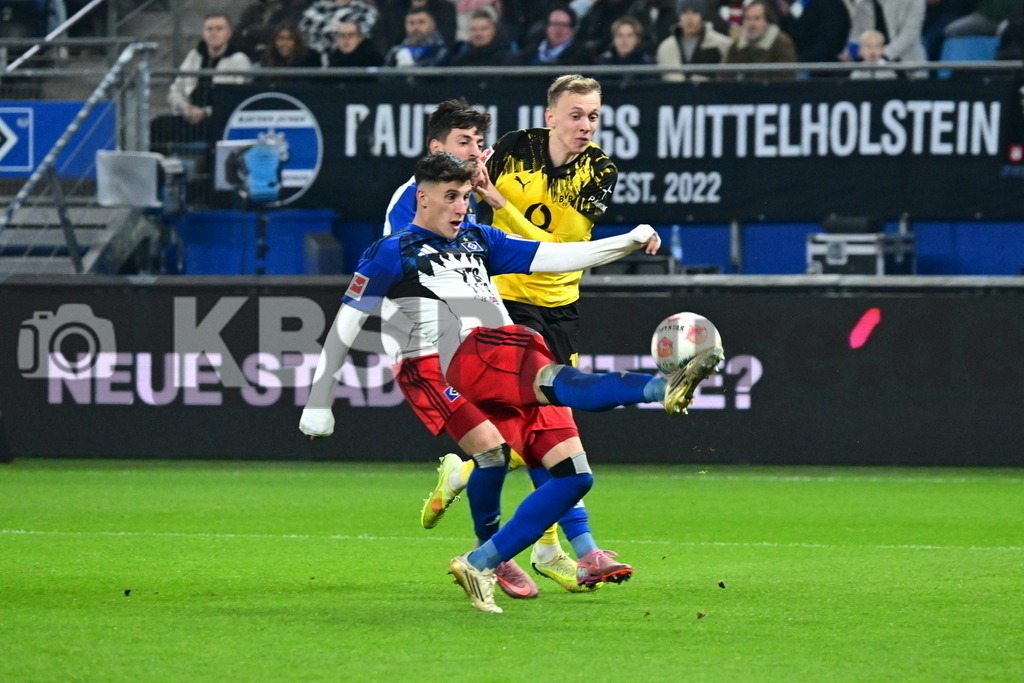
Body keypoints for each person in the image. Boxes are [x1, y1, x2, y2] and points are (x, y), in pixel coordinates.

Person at [299, 151, 723, 613]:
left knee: (573, 477)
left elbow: (557, 256)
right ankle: (664, 388)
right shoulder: (391, 250)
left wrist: (628, 240)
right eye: (450, 197)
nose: (462, 207)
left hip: (504, 349)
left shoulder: (479, 237)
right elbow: (346, 324)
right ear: (422, 198)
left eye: (465, 196)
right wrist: (319, 400)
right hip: (471, 353)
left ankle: (480, 562)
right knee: (552, 391)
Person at [383, 99, 622, 597]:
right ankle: (495, 546)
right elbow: (406, 277)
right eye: (463, 143)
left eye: (477, 142)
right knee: (500, 447)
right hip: (428, 352)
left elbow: (521, 250)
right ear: (436, 149)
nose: (476, 151)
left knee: (543, 433)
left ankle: (541, 547)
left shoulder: (482, 192)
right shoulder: (415, 201)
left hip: (495, 334)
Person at [150, 13, 252, 154]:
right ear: (203, 33)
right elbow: (175, 90)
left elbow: (234, 99)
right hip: (189, 115)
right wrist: (186, 108)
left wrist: (204, 112)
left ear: (229, 34)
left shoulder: (239, 60)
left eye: (219, 29)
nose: (214, 33)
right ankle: (160, 172)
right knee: (158, 125)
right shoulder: (194, 56)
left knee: (215, 131)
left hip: (217, 118)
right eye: (209, 29)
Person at [656, 0, 731, 82]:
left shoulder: (721, 44)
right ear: (678, 16)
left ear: (702, 15)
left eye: (695, 12)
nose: (689, 18)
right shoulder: (666, 48)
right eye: (684, 12)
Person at [724, 0, 798, 78]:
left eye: (757, 18)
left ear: (768, 21)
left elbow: (786, 79)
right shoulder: (736, 46)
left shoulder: (782, 44)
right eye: (748, 18)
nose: (751, 24)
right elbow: (726, 77)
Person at [843, 0, 926, 67]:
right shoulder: (862, 4)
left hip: (907, 66)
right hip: (868, 67)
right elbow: (856, 35)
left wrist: (883, 53)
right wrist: (853, 50)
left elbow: (910, 34)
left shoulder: (914, 1)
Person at [517, 5, 595, 65]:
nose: (558, 29)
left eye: (564, 25)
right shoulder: (532, 50)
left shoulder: (581, 54)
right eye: (554, 24)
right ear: (546, 27)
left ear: (572, 29)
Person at [777, 0, 851, 62]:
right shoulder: (794, 4)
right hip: (795, 62)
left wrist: (799, 60)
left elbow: (829, 42)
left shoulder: (831, 5)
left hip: (820, 67)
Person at [300, 0, 379, 57]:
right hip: (317, 56)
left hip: (356, 57)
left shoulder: (364, 10)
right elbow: (304, 27)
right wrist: (336, 26)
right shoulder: (318, 7)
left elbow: (362, 30)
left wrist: (331, 26)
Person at [236, 0, 307, 60]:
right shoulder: (253, 9)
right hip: (251, 57)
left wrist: (250, 31)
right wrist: (254, 48)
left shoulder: (292, 8)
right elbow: (238, 36)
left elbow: (283, 30)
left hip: (279, 59)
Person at [383, 6, 451, 67]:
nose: (416, 27)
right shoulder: (395, 52)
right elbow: (384, 77)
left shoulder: (441, 51)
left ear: (433, 25)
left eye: (421, 22)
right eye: (411, 23)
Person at [449, 7, 517, 66]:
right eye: (473, 29)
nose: (478, 34)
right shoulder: (460, 62)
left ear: (494, 31)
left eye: (483, 29)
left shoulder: (508, 61)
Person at [259, 21, 323, 85]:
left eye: (289, 39)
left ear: (296, 41)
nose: (284, 43)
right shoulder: (267, 59)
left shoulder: (310, 59)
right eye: (281, 39)